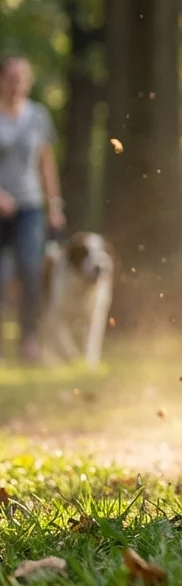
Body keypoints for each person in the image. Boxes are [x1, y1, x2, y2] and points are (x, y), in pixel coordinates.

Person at [0, 57, 65, 363]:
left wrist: (54, 205)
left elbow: (45, 162)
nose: (16, 84)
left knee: (31, 270)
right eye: (11, 78)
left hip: (29, 206)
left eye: (21, 79)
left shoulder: (38, 116)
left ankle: (29, 339)